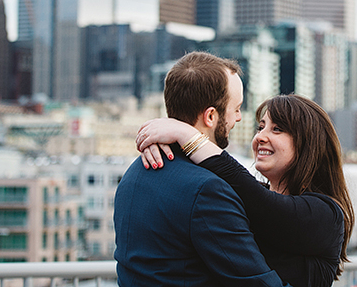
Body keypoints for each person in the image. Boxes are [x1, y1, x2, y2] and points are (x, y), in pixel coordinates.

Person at [137, 92, 355, 287]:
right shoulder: (247, 196)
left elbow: (258, 200)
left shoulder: (326, 214)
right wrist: (159, 144)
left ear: (309, 144)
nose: (260, 137)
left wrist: (184, 133)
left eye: (277, 129)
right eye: (260, 128)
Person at [113, 51, 290, 287]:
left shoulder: (134, 173)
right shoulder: (207, 191)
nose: (238, 117)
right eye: (236, 108)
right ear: (210, 116)